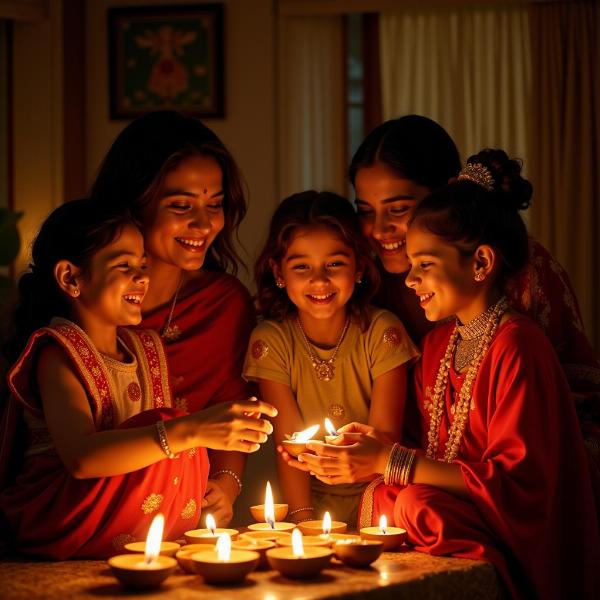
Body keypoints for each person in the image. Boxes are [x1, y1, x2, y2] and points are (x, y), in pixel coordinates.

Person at [284, 156, 600, 598]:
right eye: (411, 263)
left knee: (415, 503)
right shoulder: (437, 345)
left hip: (511, 516)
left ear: (481, 262)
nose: (410, 279)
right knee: (385, 497)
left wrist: (390, 461)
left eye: (425, 264)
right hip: (456, 501)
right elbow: (425, 449)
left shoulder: (517, 344)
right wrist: (367, 450)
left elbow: (520, 483)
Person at [0, 199, 276, 559]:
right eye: (124, 266)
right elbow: (82, 459)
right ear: (71, 278)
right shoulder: (57, 352)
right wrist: (191, 429)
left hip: (120, 513)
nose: (142, 277)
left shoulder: (146, 347)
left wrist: (212, 484)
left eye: (143, 265)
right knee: (174, 426)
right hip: (63, 511)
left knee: (182, 440)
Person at [350, 116, 600, 495]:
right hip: (431, 469)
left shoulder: (519, 281)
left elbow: (560, 409)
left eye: (398, 209)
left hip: (531, 470)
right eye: (365, 211)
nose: (379, 230)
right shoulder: (367, 281)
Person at [89, 110, 256, 525]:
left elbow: (231, 409)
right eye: (181, 205)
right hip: (85, 514)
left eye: (214, 204)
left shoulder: (223, 305)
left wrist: (227, 485)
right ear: (134, 202)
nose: (203, 224)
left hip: (179, 519)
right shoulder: (85, 303)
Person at [243, 191, 418, 526]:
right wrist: (304, 522)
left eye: (334, 263)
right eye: (301, 266)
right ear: (278, 271)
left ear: (360, 266)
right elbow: (290, 449)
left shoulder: (382, 332)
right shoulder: (271, 341)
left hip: (381, 497)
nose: (319, 280)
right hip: (309, 502)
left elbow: (385, 441)